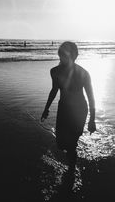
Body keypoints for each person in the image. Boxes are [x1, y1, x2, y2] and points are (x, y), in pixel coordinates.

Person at [41, 41, 96, 172]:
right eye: (62, 55)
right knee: (61, 143)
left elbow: (91, 97)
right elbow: (54, 90)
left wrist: (92, 119)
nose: (65, 59)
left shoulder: (84, 73)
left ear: (75, 56)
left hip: (79, 110)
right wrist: (46, 108)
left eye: (69, 56)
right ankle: (71, 161)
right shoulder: (55, 71)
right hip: (64, 109)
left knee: (71, 143)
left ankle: (71, 168)